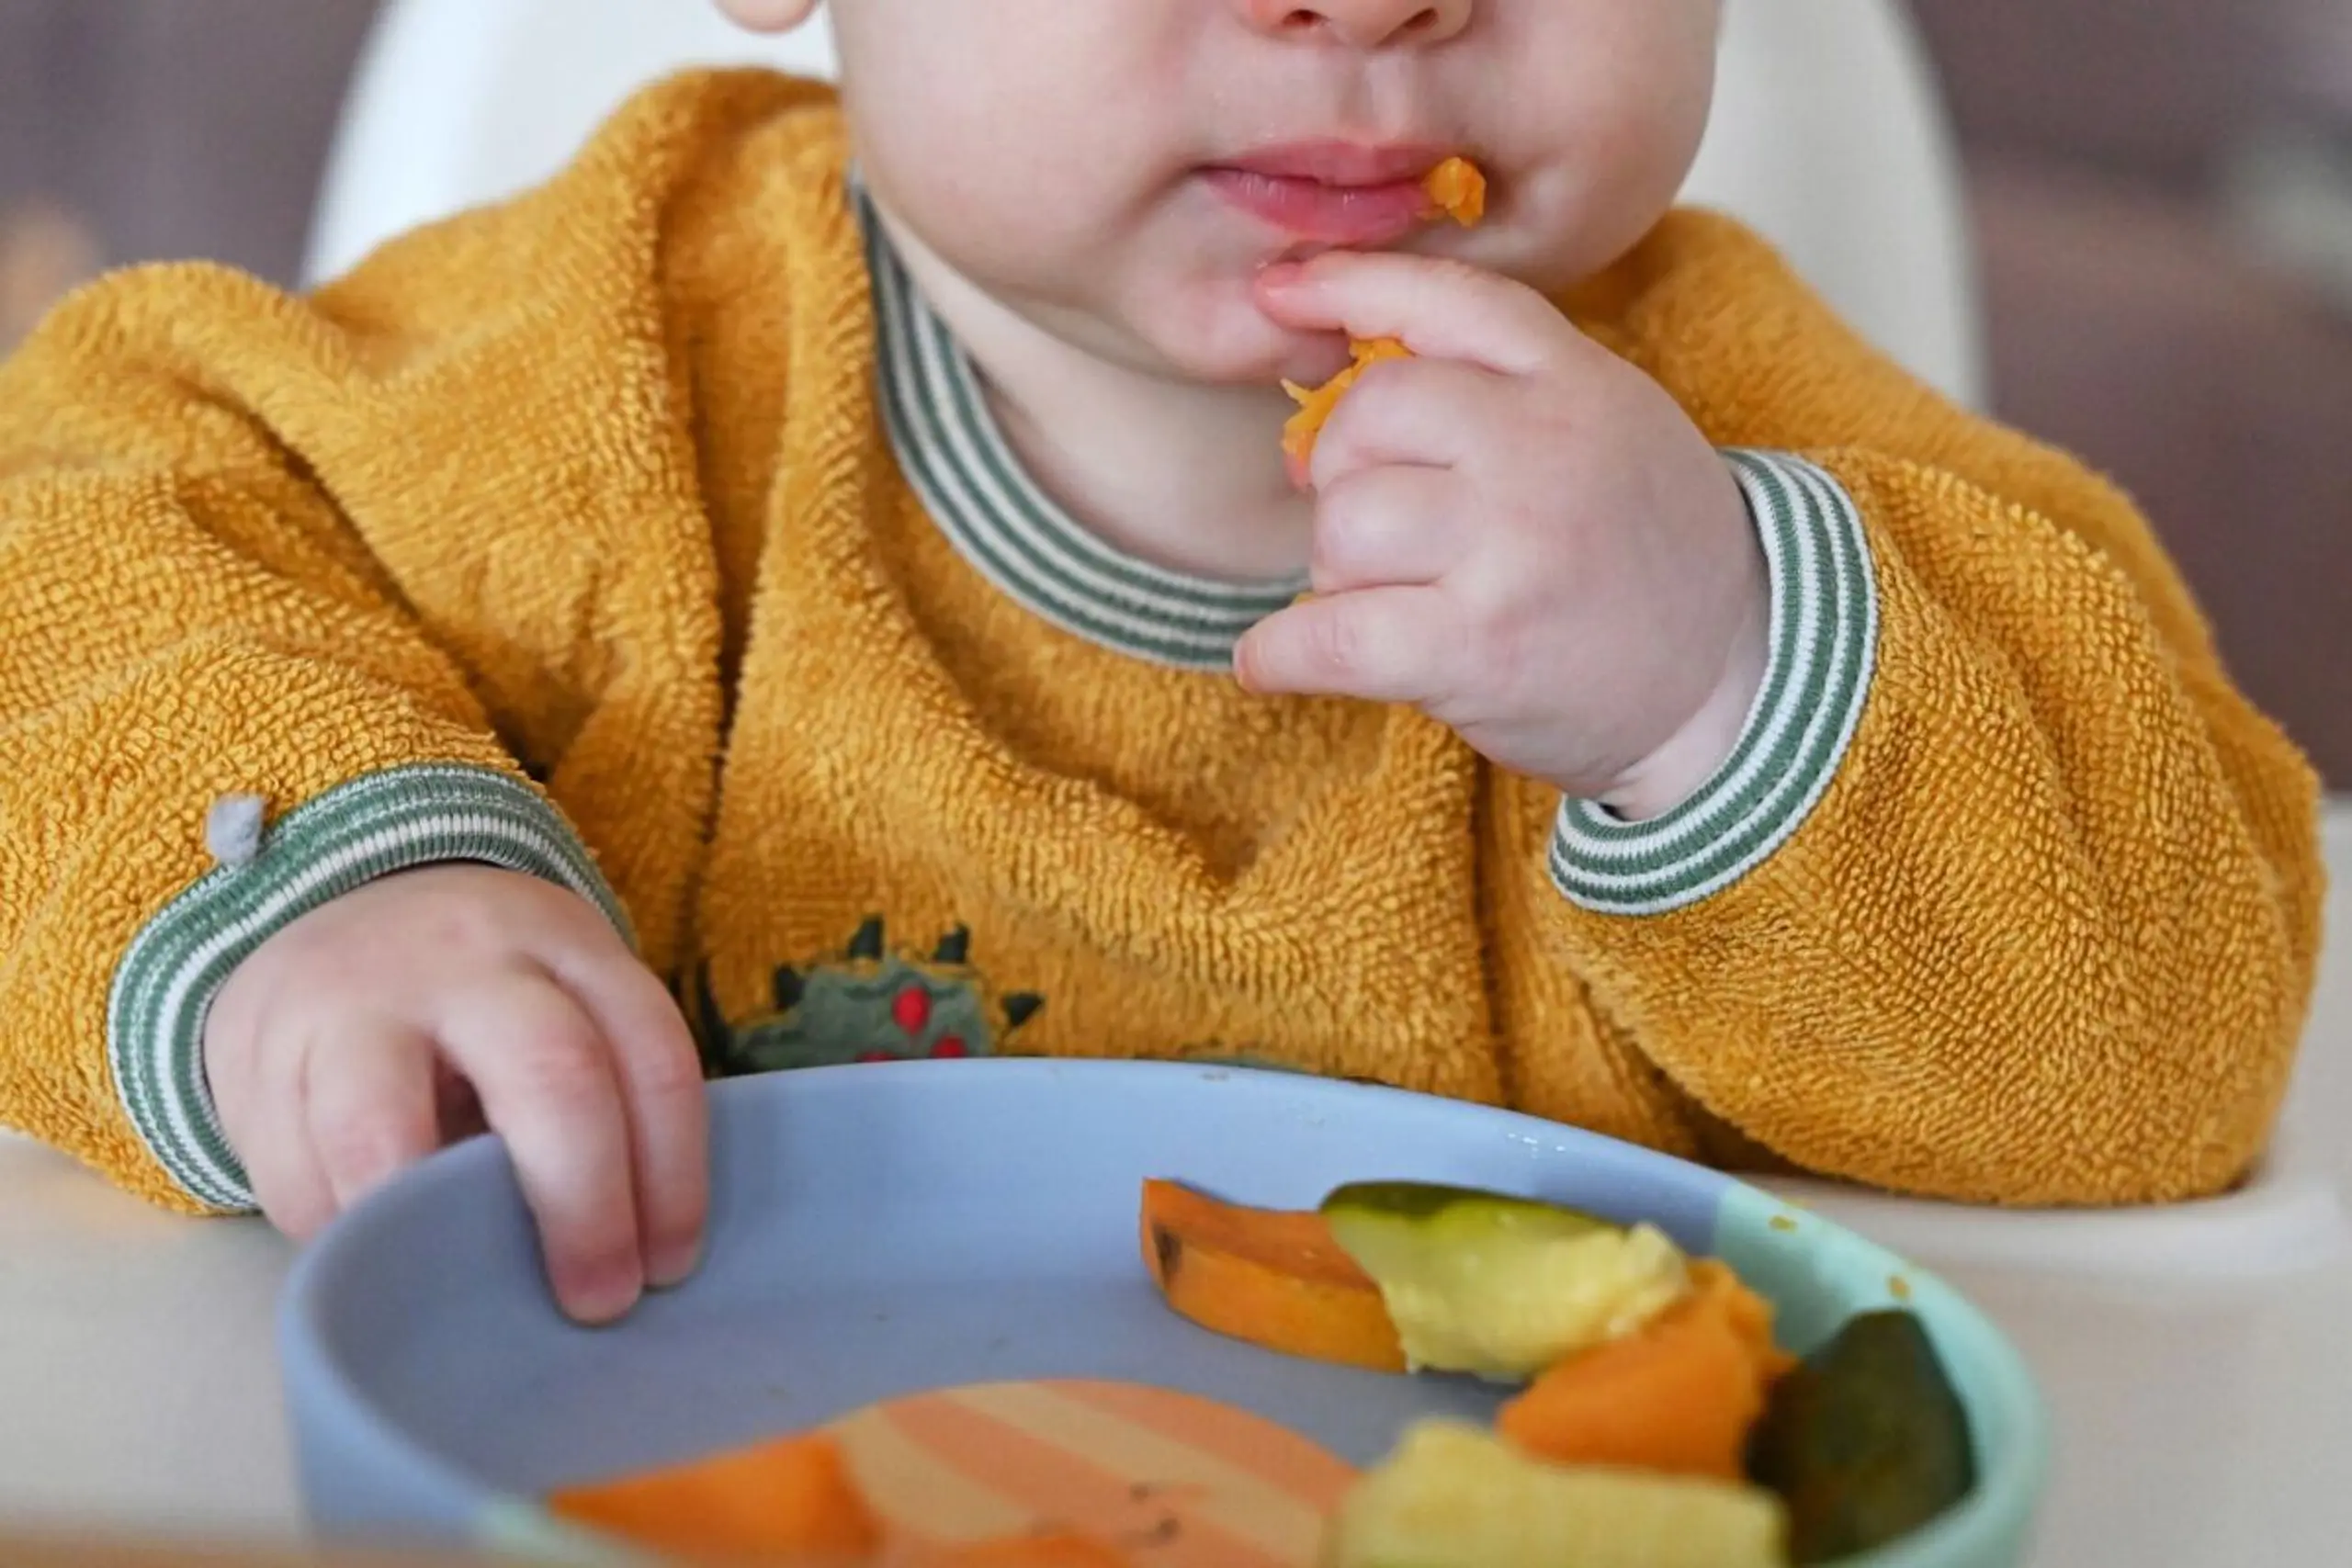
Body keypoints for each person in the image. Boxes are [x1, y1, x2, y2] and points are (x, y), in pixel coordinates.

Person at [0, 0, 2322, 1324]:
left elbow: (2173, 1021)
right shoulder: (608, 360)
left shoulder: (1737, 453)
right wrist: (322, 902)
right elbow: (73, 542)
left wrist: (1722, 675)